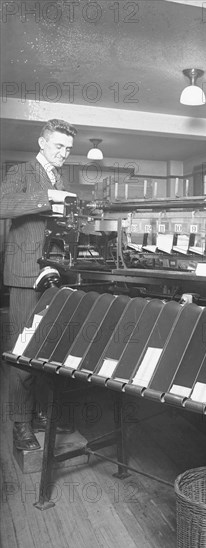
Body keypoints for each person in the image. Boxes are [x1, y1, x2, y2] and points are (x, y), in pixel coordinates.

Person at [0, 119, 77, 451]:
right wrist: (47, 196)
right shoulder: (22, 172)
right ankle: (21, 423)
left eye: (68, 149)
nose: (64, 153)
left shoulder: (61, 176)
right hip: (24, 274)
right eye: (58, 146)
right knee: (22, 350)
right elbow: (3, 205)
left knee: (46, 346)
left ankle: (40, 413)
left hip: (53, 274)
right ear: (42, 142)